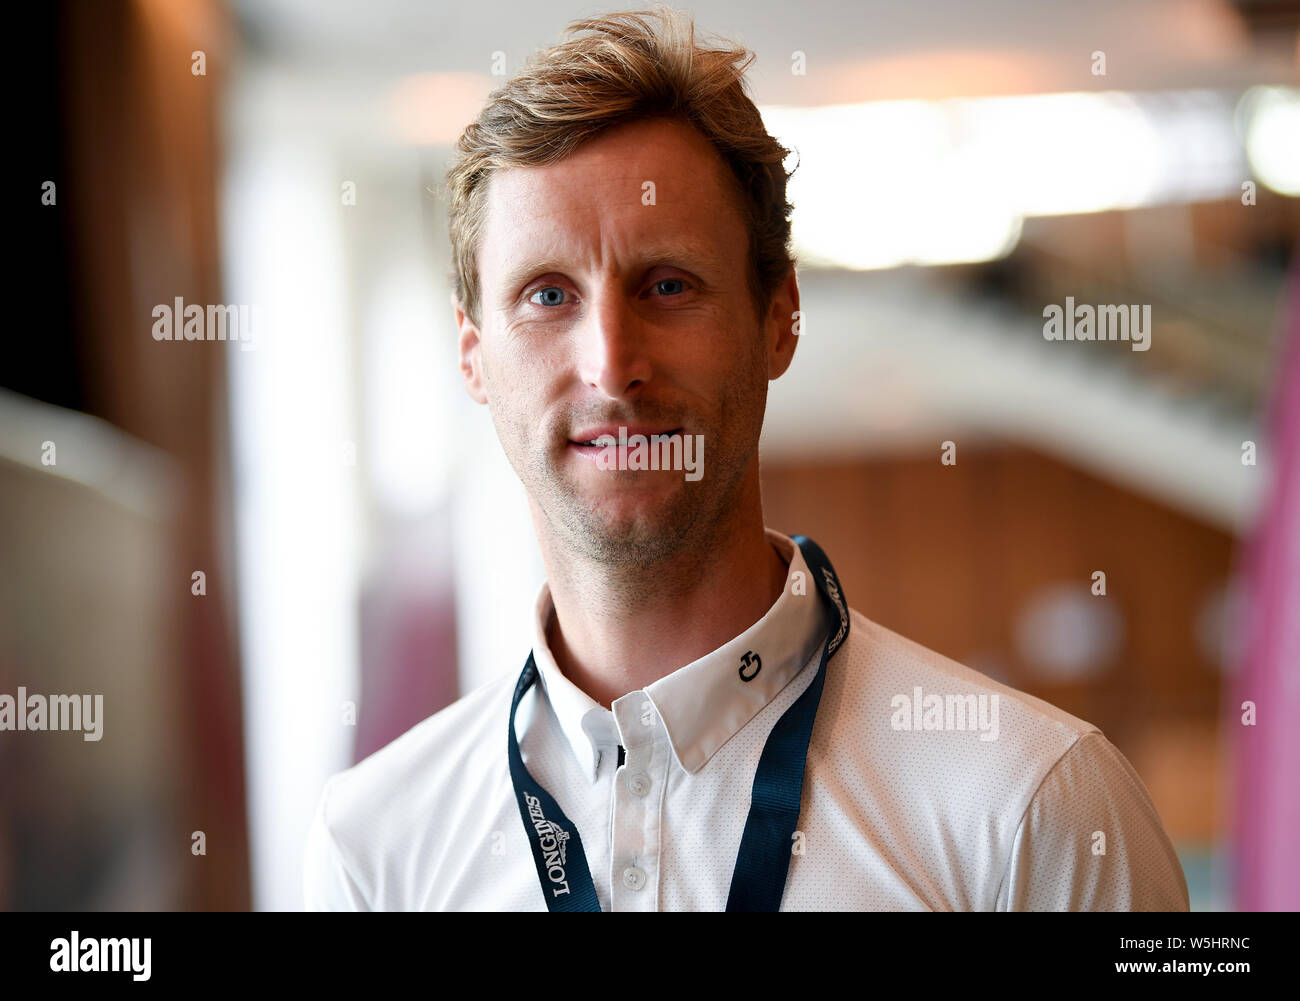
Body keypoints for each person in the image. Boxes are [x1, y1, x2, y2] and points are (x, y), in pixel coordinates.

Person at [303, 6, 1189, 912]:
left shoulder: (1034, 806)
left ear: (779, 319)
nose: (611, 363)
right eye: (547, 294)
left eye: (668, 285)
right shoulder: (374, 849)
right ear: (472, 356)